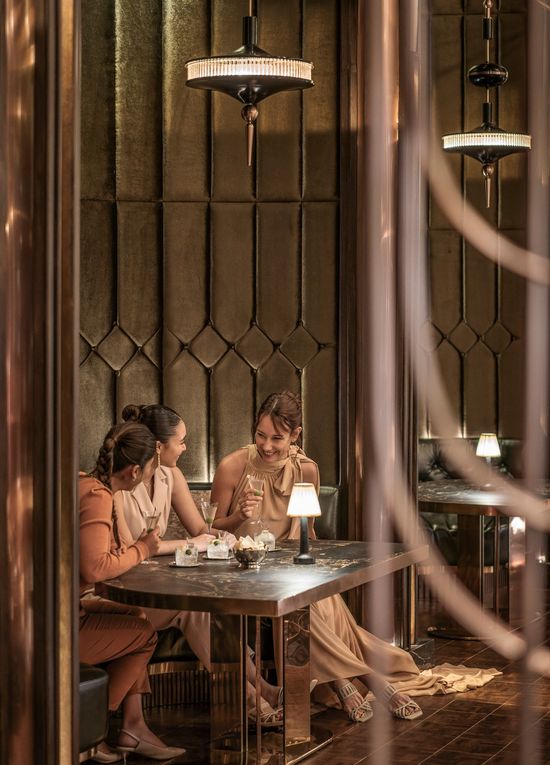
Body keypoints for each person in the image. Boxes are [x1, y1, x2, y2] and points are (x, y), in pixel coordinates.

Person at [211, 391, 428, 723]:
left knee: (317, 597)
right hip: (244, 571)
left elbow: (307, 534)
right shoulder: (233, 466)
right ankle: (364, 680)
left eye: (277, 438)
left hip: (289, 569)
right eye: (260, 435)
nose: (266, 445)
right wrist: (240, 516)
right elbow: (211, 529)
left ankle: (343, 680)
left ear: (295, 434)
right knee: (296, 601)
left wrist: (315, 569)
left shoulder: (307, 471)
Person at [115, 403, 283, 726]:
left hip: (155, 585)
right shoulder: (122, 481)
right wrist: (190, 545)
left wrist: (234, 527)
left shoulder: (171, 475)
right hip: (126, 591)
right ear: (158, 447)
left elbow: (201, 529)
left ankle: (260, 691)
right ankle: (252, 698)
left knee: (201, 608)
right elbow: (130, 549)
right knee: (193, 609)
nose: (185, 448)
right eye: (180, 441)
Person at [79, 421, 186, 762]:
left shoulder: (86, 484)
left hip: (61, 609)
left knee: (136, 616)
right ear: (136, 471)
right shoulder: (97, 496)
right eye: (152, 466)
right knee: (143, 635)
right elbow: (95, 569)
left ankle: (132, 727)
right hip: (57, 625)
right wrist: (144, 549)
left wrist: (131, 548)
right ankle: (86, 727)